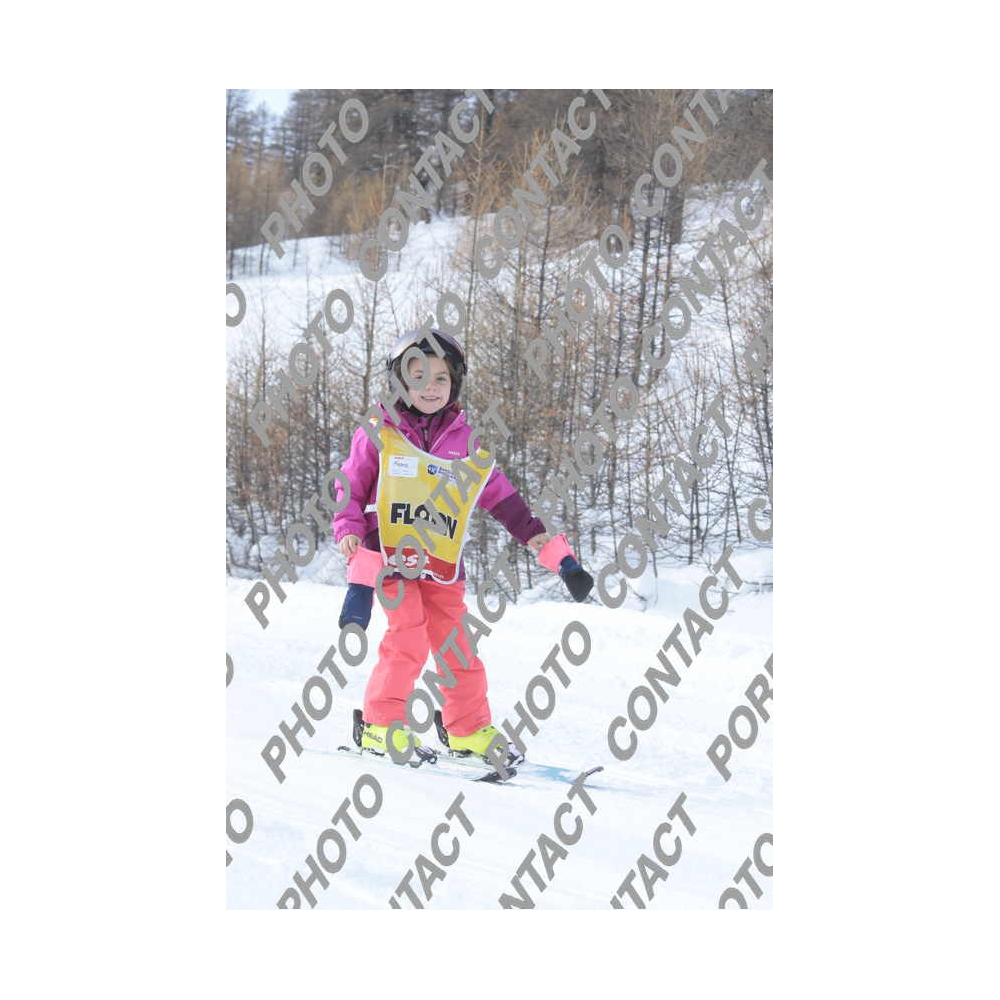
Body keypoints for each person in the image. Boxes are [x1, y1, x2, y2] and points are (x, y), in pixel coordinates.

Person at [333, 328, 593, 764]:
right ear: (400, 381)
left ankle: (467, 730)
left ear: (454, 383)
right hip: (391, 558)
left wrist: (537, 536)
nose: (430, 387)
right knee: (408, 636)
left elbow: (499, 496)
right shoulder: (379, 431)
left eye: (441, 378)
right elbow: (350, 486)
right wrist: (348, 529)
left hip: (442, 563)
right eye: (418, 376)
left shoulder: (464, 442)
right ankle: (380, 725)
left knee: (456, 646)